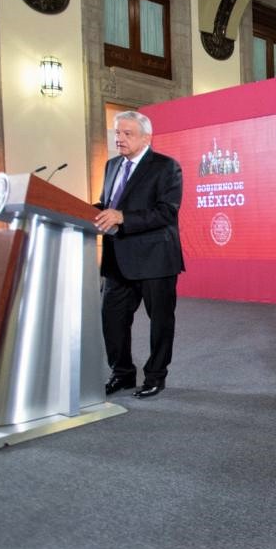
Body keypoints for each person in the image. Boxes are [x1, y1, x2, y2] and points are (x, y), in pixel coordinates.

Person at [94, 111, 185, 399]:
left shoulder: (166, 167)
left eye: (126, 134)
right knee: (112, 320)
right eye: (117, 133)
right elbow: (108, 204)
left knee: (160, 322)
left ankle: (156, 376)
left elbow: (166, 212)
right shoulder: (111, 166)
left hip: (155, 258)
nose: (119, 138)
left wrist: (122, 217)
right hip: (116, 259)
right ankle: (122, 374)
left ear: (147, 137)